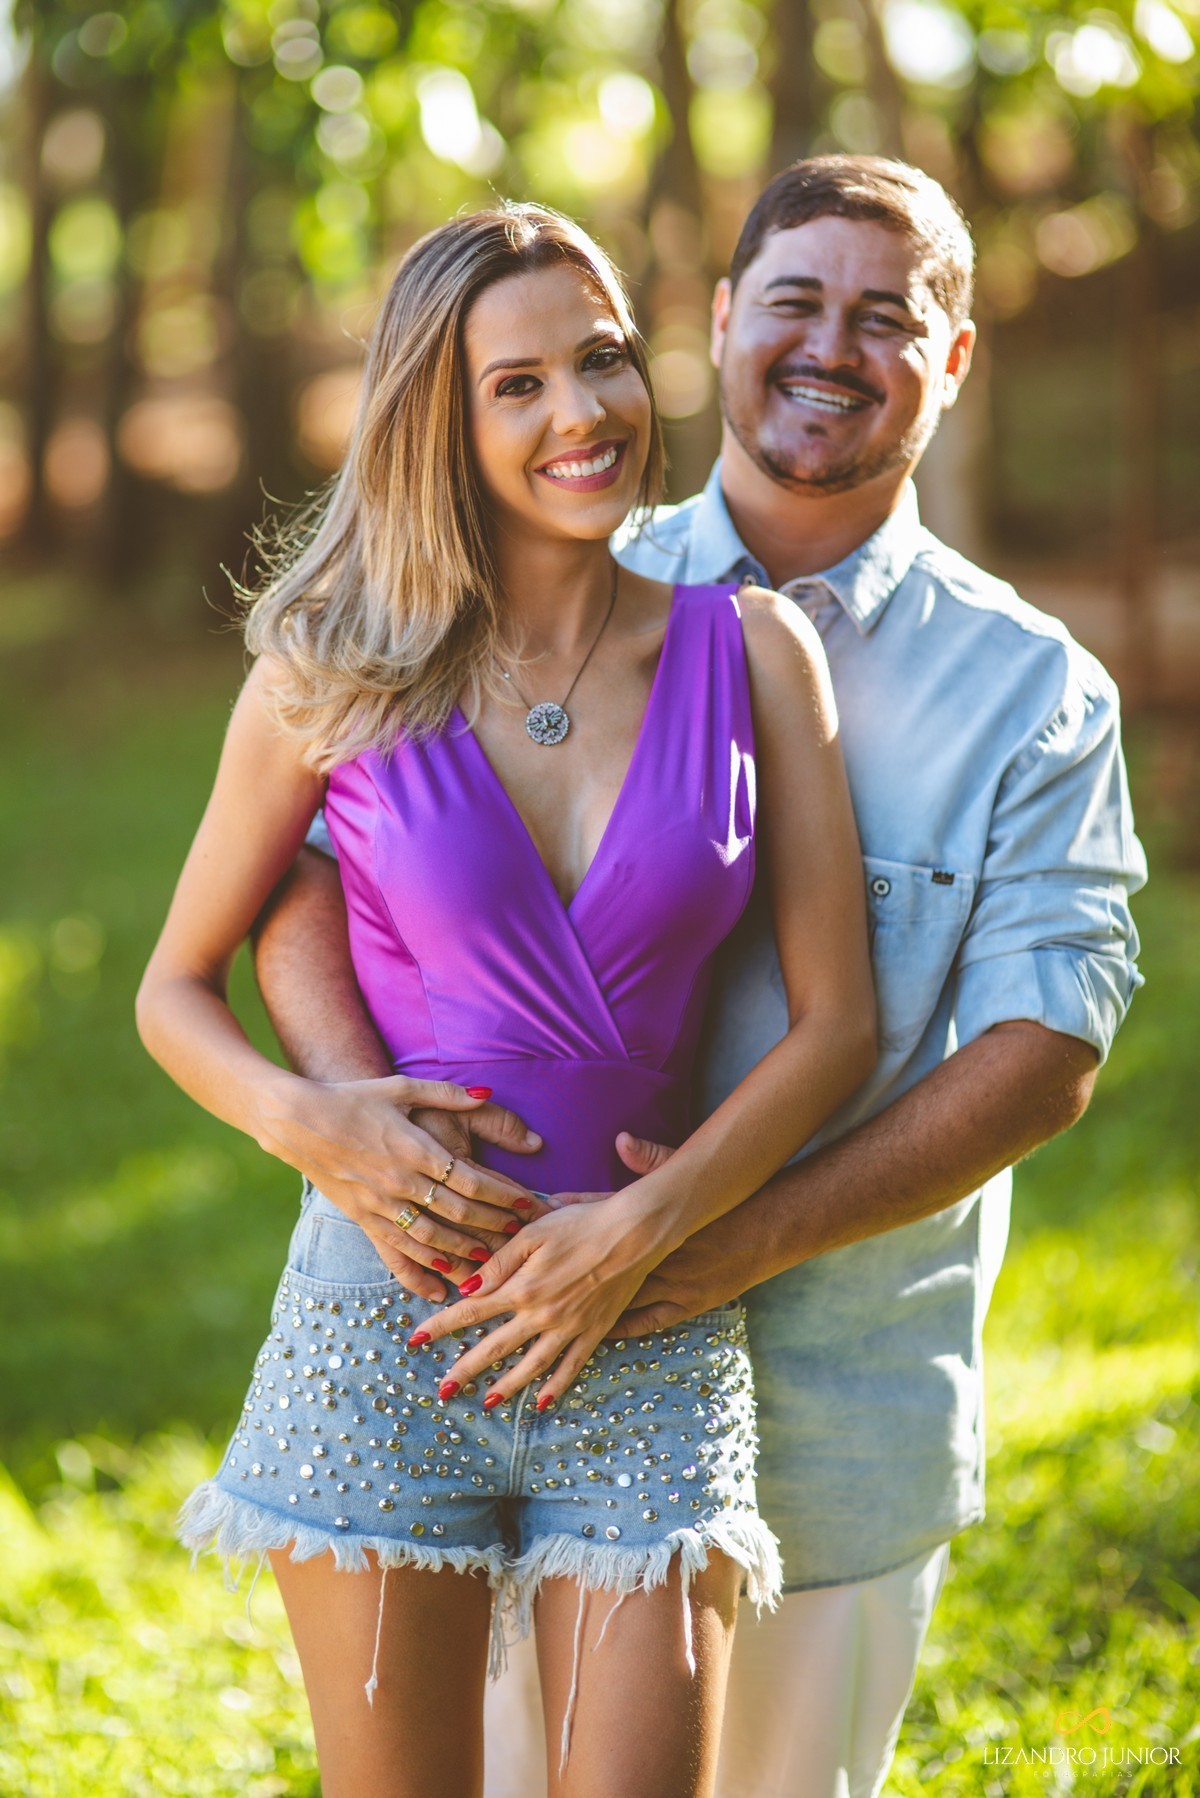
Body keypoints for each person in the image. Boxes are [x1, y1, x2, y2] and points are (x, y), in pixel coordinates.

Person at [251, 158, 1147, 1798]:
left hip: (835, 1402)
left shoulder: (1035, 692)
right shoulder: (547, 521)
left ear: (953, 361)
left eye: (891, 318)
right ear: (720, 323)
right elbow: (314, 862)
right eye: (794, 300)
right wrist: (349, 1115)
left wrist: (704, 1248)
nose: (831, 346)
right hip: (470, 1337)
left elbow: (1044, 1047)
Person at [135, 202, 877, 1798]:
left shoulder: (752, 652)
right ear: (442, 421)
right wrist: (315, 1122)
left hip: (650, 1324)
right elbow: (171, 984)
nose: (583, 413)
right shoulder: (330, 670)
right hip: (384, 1322)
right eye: (517, 383)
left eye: (602, 361)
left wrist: (650, 1221)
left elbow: (839, 1027)